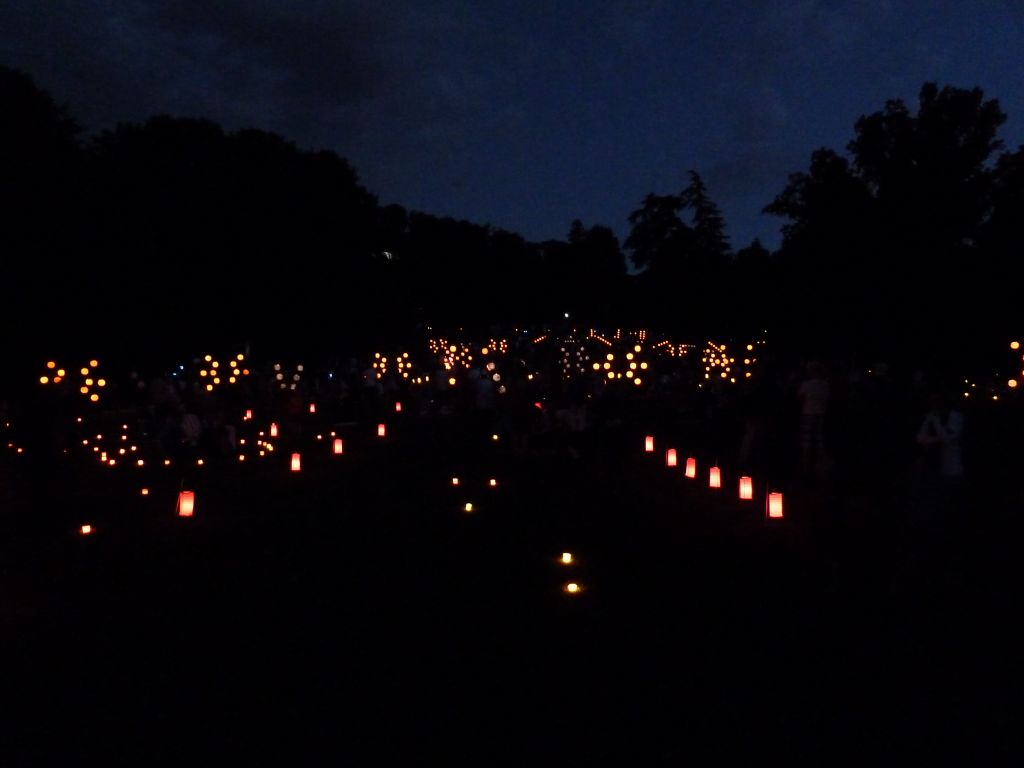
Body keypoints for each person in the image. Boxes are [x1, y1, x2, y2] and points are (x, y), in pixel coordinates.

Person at [797, 361, 829, 478]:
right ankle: (820, 465)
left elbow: (799, 397)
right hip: (821, 413)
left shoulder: (806, 384)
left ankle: (806, 466)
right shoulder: (825, 384)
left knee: (807, 440)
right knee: (819, 440)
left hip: (808, 413)